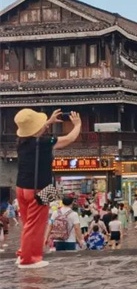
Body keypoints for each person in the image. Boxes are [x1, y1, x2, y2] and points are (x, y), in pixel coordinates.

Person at [14, 108, 81, 268]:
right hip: (41, 188)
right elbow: (69, 138)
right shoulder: (44, 143)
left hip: (21, 187)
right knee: (36, 225)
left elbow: (34, 134)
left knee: (28, 224)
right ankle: (29, 259)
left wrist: (48, 123)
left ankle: (23, 253)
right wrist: (77, 124)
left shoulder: (20, 141)